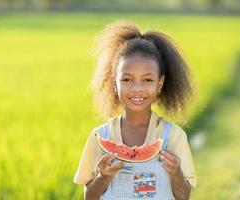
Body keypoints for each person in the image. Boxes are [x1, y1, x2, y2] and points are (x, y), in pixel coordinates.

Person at [73, 20, 197, 200]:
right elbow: (88, 196)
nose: (137, 88)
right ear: (114, 82)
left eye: (147, 80)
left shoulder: (174, 137)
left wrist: (176, 173)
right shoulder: (99, 137)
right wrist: (103, 177)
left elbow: (184, 196)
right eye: (127, 80)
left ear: (159, 84)